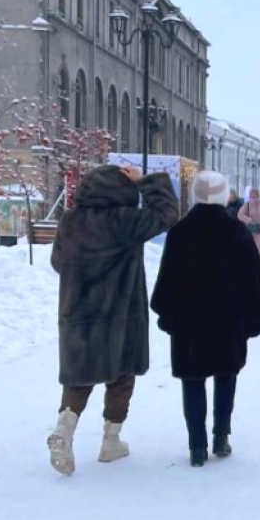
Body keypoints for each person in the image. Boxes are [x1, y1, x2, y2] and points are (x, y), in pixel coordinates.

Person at [46, 164, 179, 476]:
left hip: (78, 313)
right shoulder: (125, 220)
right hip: (121, 313)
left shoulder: (71, 219)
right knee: (121, 374)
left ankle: (65, 428)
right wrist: (148, 182)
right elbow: (167, 214)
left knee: (79, 376)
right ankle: (111, 441)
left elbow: (57, 262)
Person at [151, 171, 260, 467]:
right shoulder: (237, 232)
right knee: (225, 376)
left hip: (189, 325)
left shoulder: (180, 232)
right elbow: (256, 284)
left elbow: (166, 282)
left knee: (192, 381)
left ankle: (196, 446)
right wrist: (253, 315)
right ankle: (221, 436)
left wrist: (167, 313)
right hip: (227, 323)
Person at [238, 187, 260, 263]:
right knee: (256, 255)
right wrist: (250, 221)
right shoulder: (247, 205)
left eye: (255, 195)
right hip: (254, 231)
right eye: (252, 195)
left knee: (255, 255)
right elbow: (240, 215)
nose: (253, 197)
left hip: (257, 231)